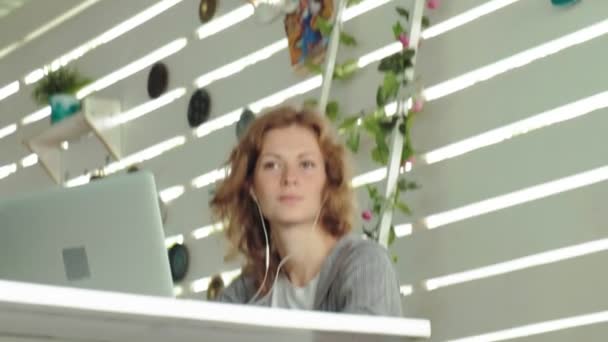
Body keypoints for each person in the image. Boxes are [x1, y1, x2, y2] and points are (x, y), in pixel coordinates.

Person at [210, 106, 402, 316]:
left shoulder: (366, 265)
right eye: (272, 165)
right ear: (251, 187)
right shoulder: (247, 291)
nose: (290, 178)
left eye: (306, 164)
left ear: (328, 181)